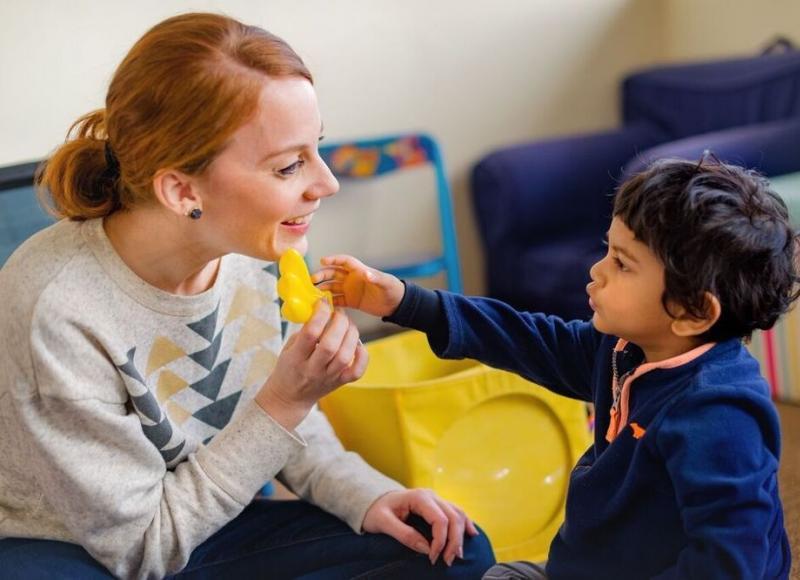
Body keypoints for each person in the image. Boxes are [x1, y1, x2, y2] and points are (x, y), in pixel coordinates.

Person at [0, 12, 496, 579]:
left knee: (450, 552)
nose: (327, 183)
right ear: (181, 189)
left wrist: (365, 495)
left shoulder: (262, 254)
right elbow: (143, 548)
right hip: (83, 549)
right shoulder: (58, 307)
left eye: (316, 149)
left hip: (207, 520)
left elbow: (288, 427)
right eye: (289, 165)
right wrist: (284, 400)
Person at [313, 155, 796, 579]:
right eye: (608, 250)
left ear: (694, 312)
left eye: (623, 264)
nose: (597, 270)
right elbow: (526, 337)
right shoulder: (625, 347)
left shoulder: (720, 415)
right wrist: (403, 301)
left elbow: (733, 563)